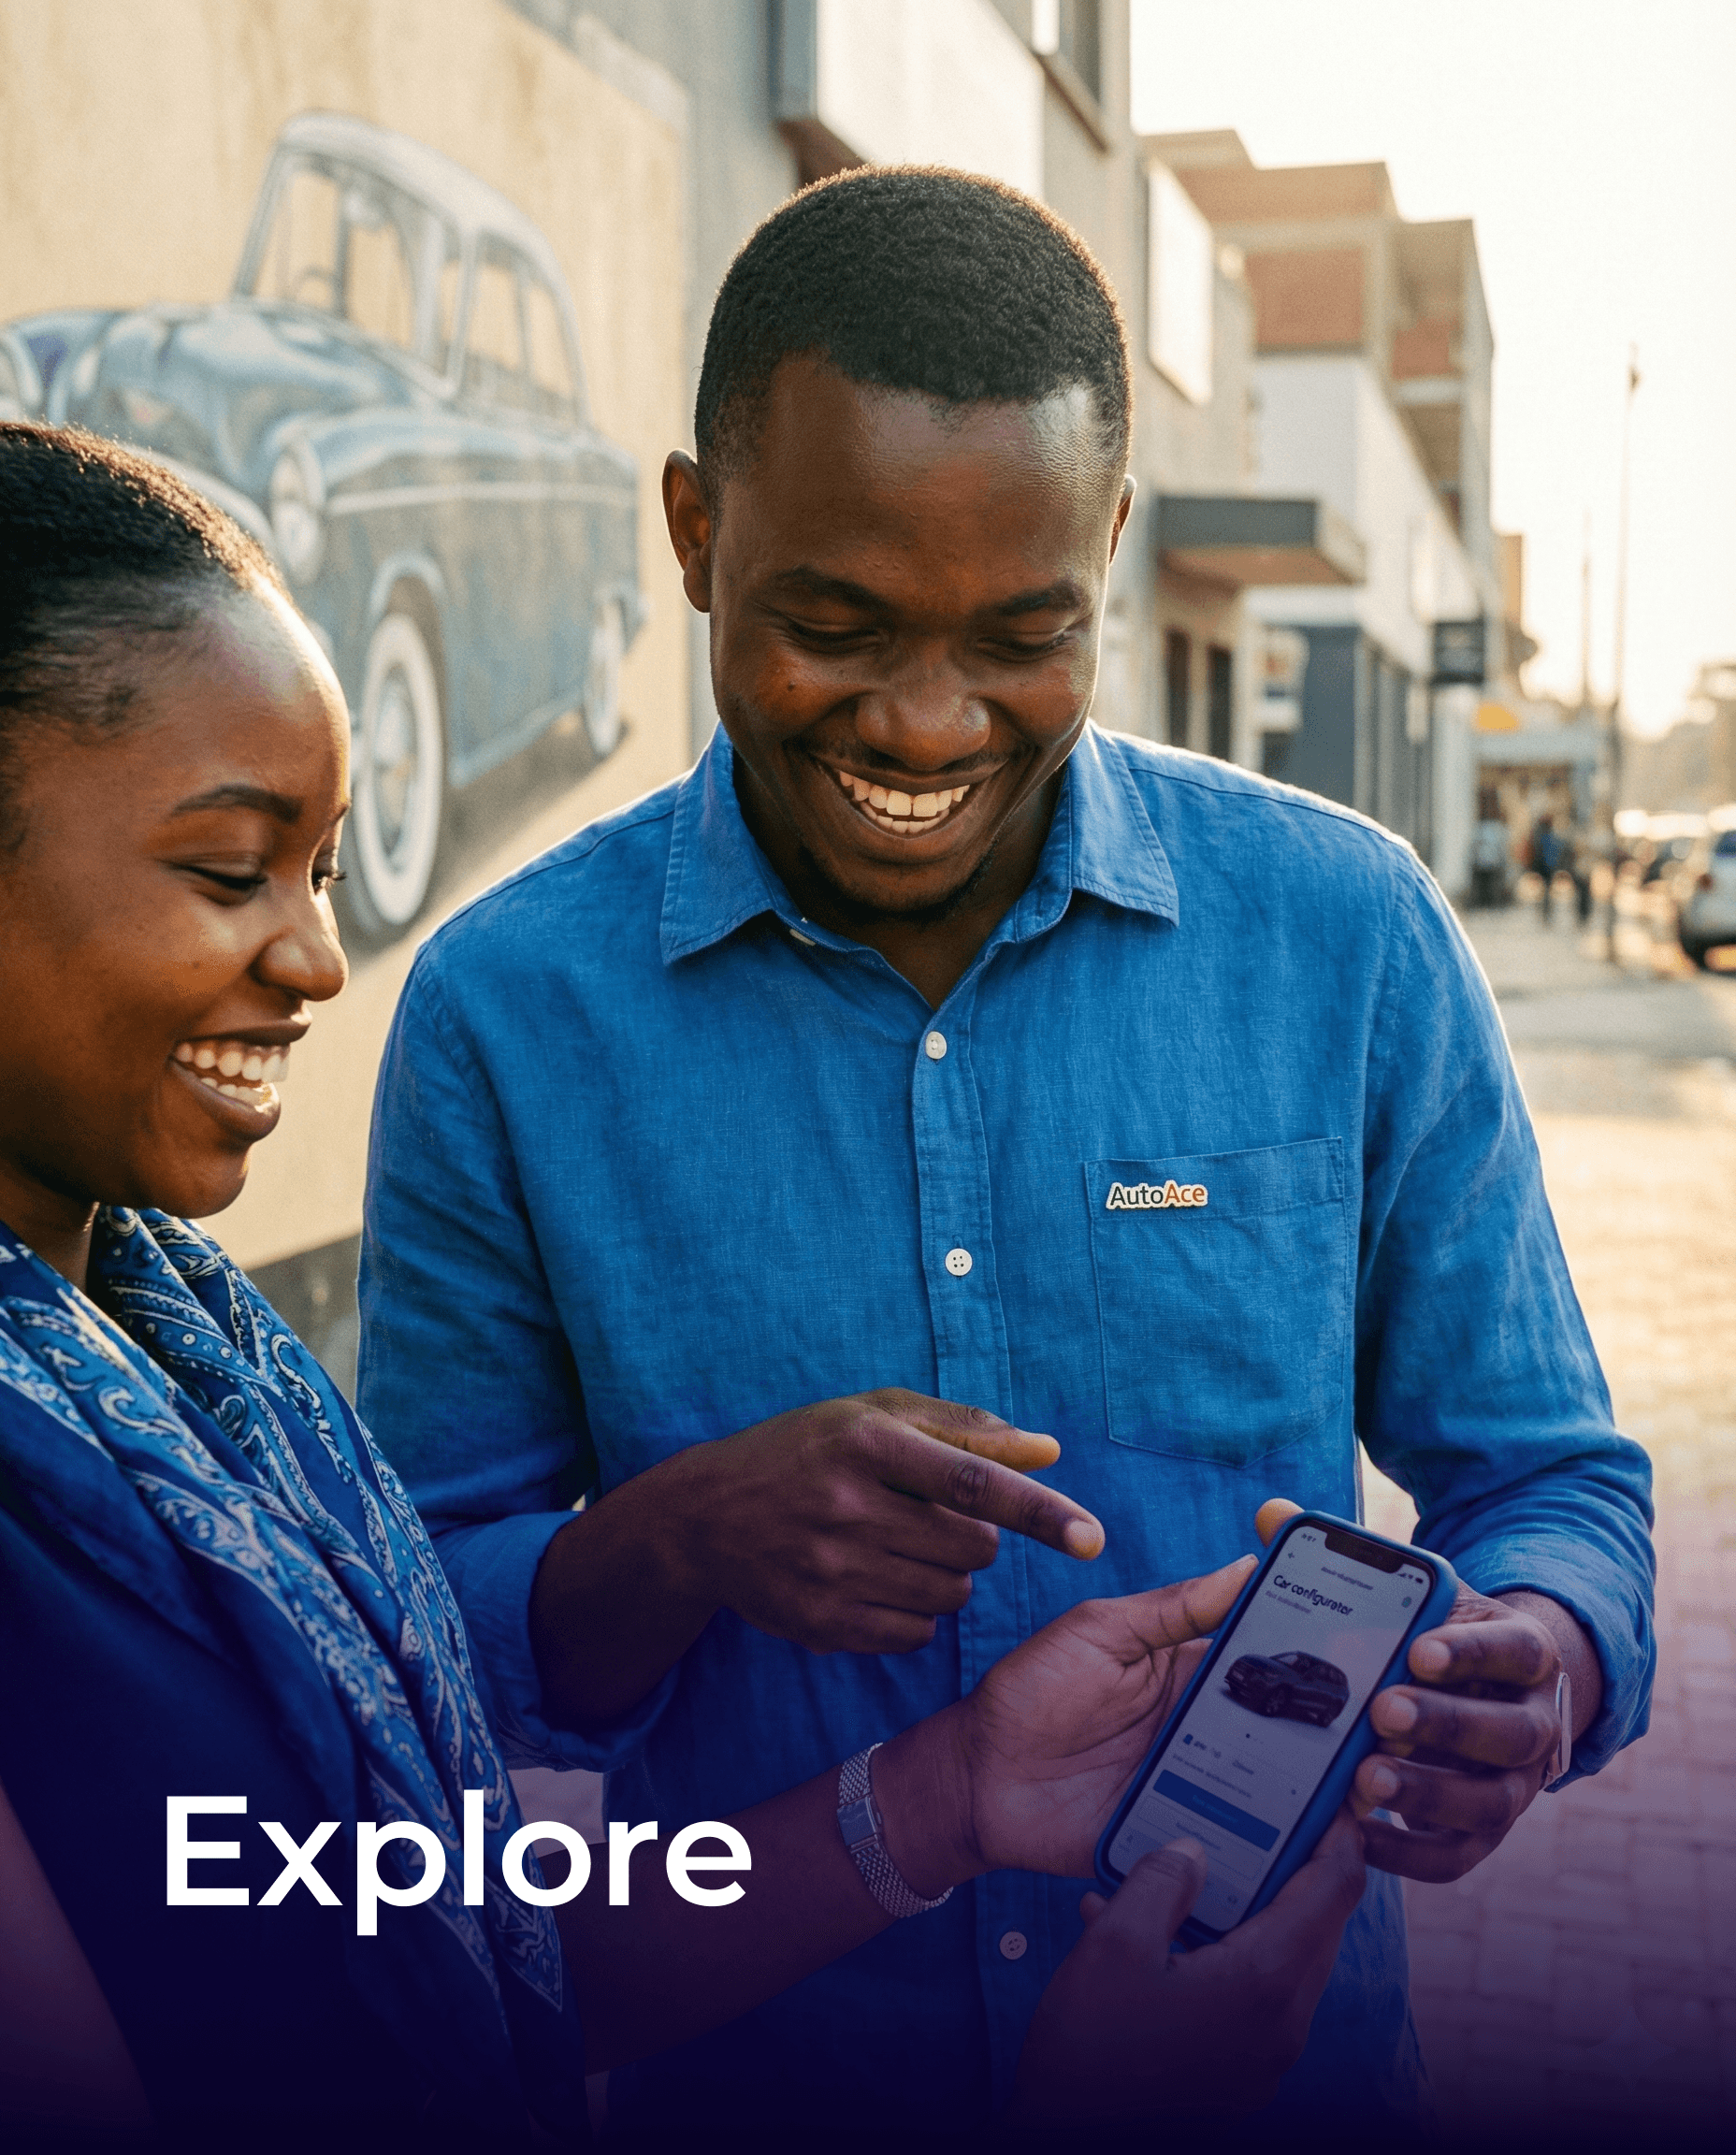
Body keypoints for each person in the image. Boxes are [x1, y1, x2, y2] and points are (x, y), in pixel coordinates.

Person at [356, 172, 1655, 2137]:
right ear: (696, 536)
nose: (929, 721)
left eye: (1023, 636)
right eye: (836, 623)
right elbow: (422, 1631)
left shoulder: (1344, 935)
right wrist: (680, 1534)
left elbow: (1550, 1477)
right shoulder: (502, 1012)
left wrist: (1537, 1661)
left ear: (1112, 551)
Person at [0, 423, 1368, 2147]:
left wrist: (952, 1791)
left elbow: (441, 1938)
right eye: (226, 870)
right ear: (697, 542)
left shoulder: (182, 1359)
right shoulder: (505, 1021)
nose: (319, 960)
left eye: (326, 869)